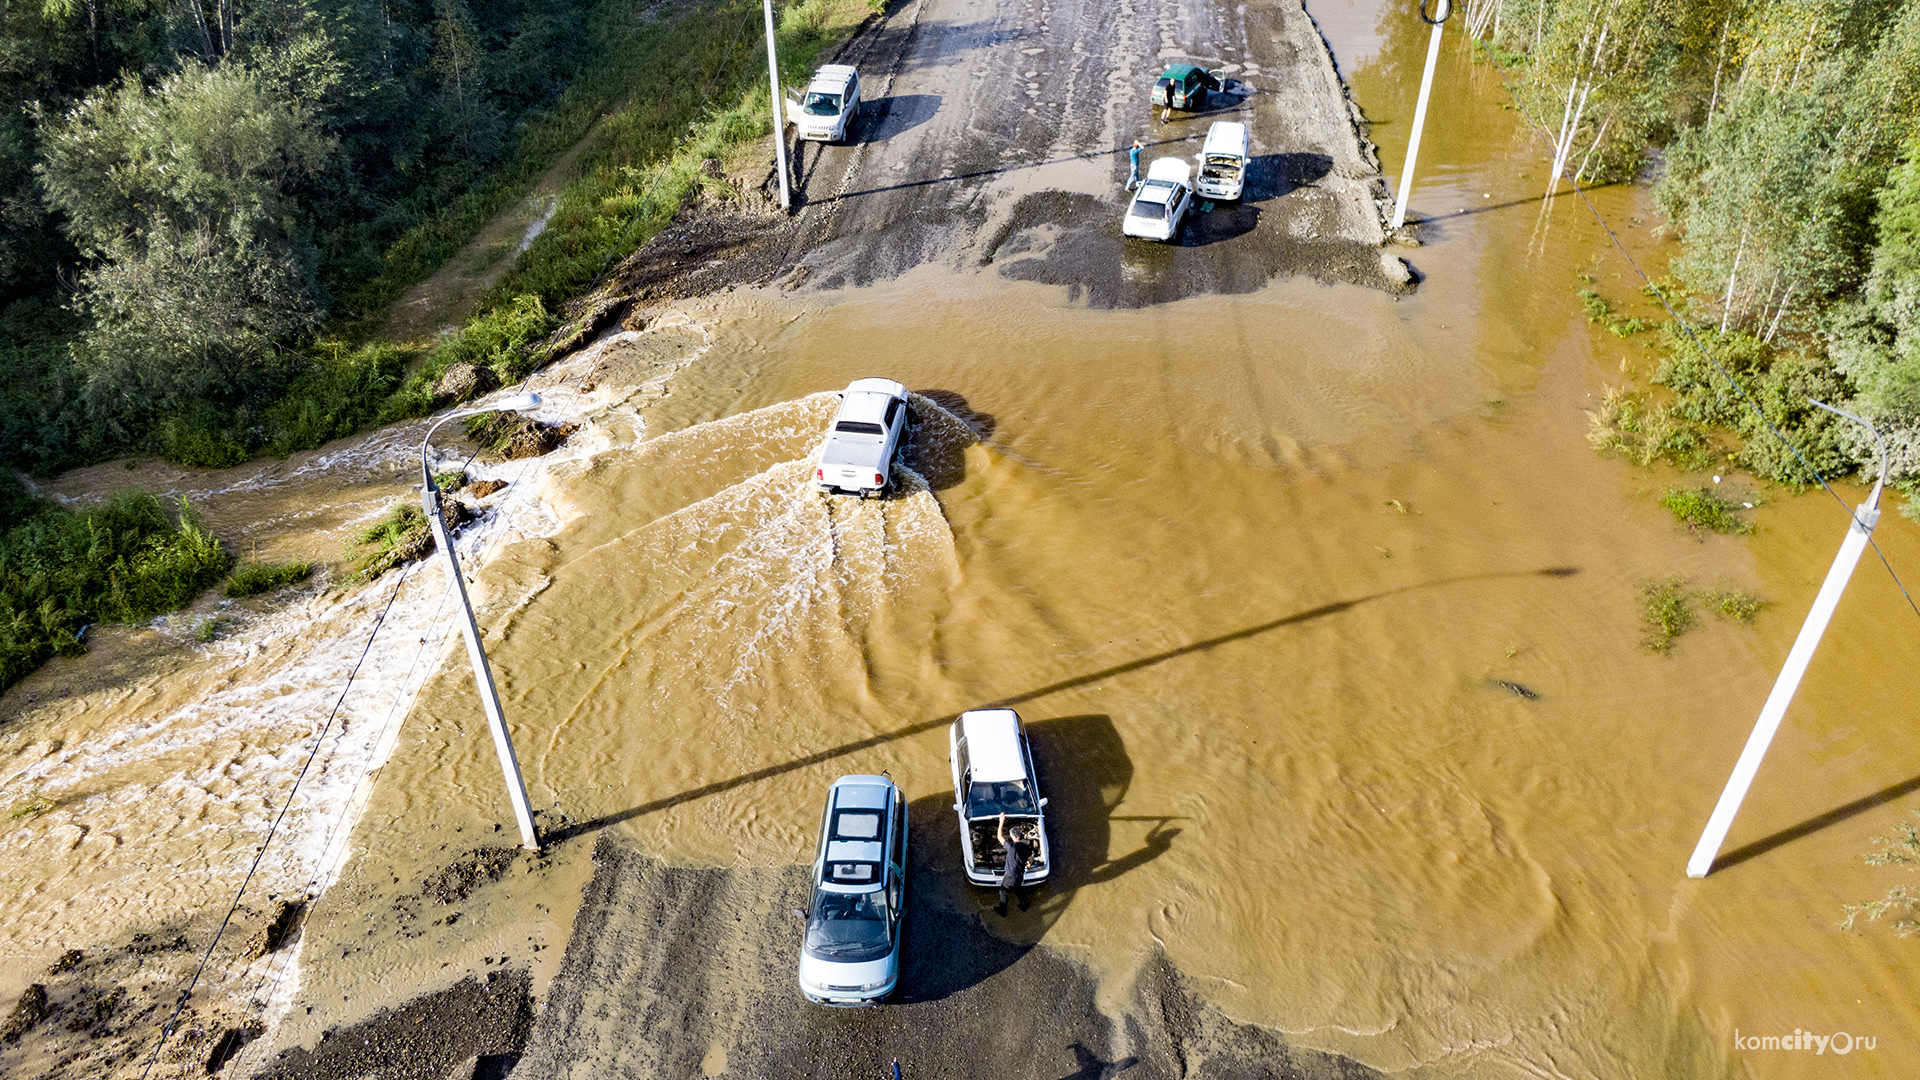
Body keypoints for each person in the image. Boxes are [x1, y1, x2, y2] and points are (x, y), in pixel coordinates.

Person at [995, 812, 1033, 916]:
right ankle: (1024, 906)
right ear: (1019, 835)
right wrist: (1029, 865)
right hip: (1019, 875)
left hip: (1010, 876)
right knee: (1018, 889)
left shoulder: (1010, 846)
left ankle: (1002, 911)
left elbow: (999, 836)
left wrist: (1001, 821)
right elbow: (1030, 859)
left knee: (1003, 891)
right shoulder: (1026, 847)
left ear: (1011, 836)